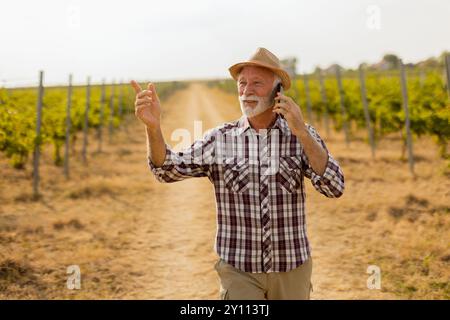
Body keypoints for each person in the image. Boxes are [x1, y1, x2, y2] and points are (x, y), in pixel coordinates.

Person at [131, 47, 345, 300]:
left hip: (292, 267)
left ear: (278, 92)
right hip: (238, 269)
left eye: (257, 83)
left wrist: (302, 133)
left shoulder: (301, 135)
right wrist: (153, 128)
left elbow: (334, 187)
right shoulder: (219, 139)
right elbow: (166, 170)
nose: (246, 91)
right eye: (242, 84)